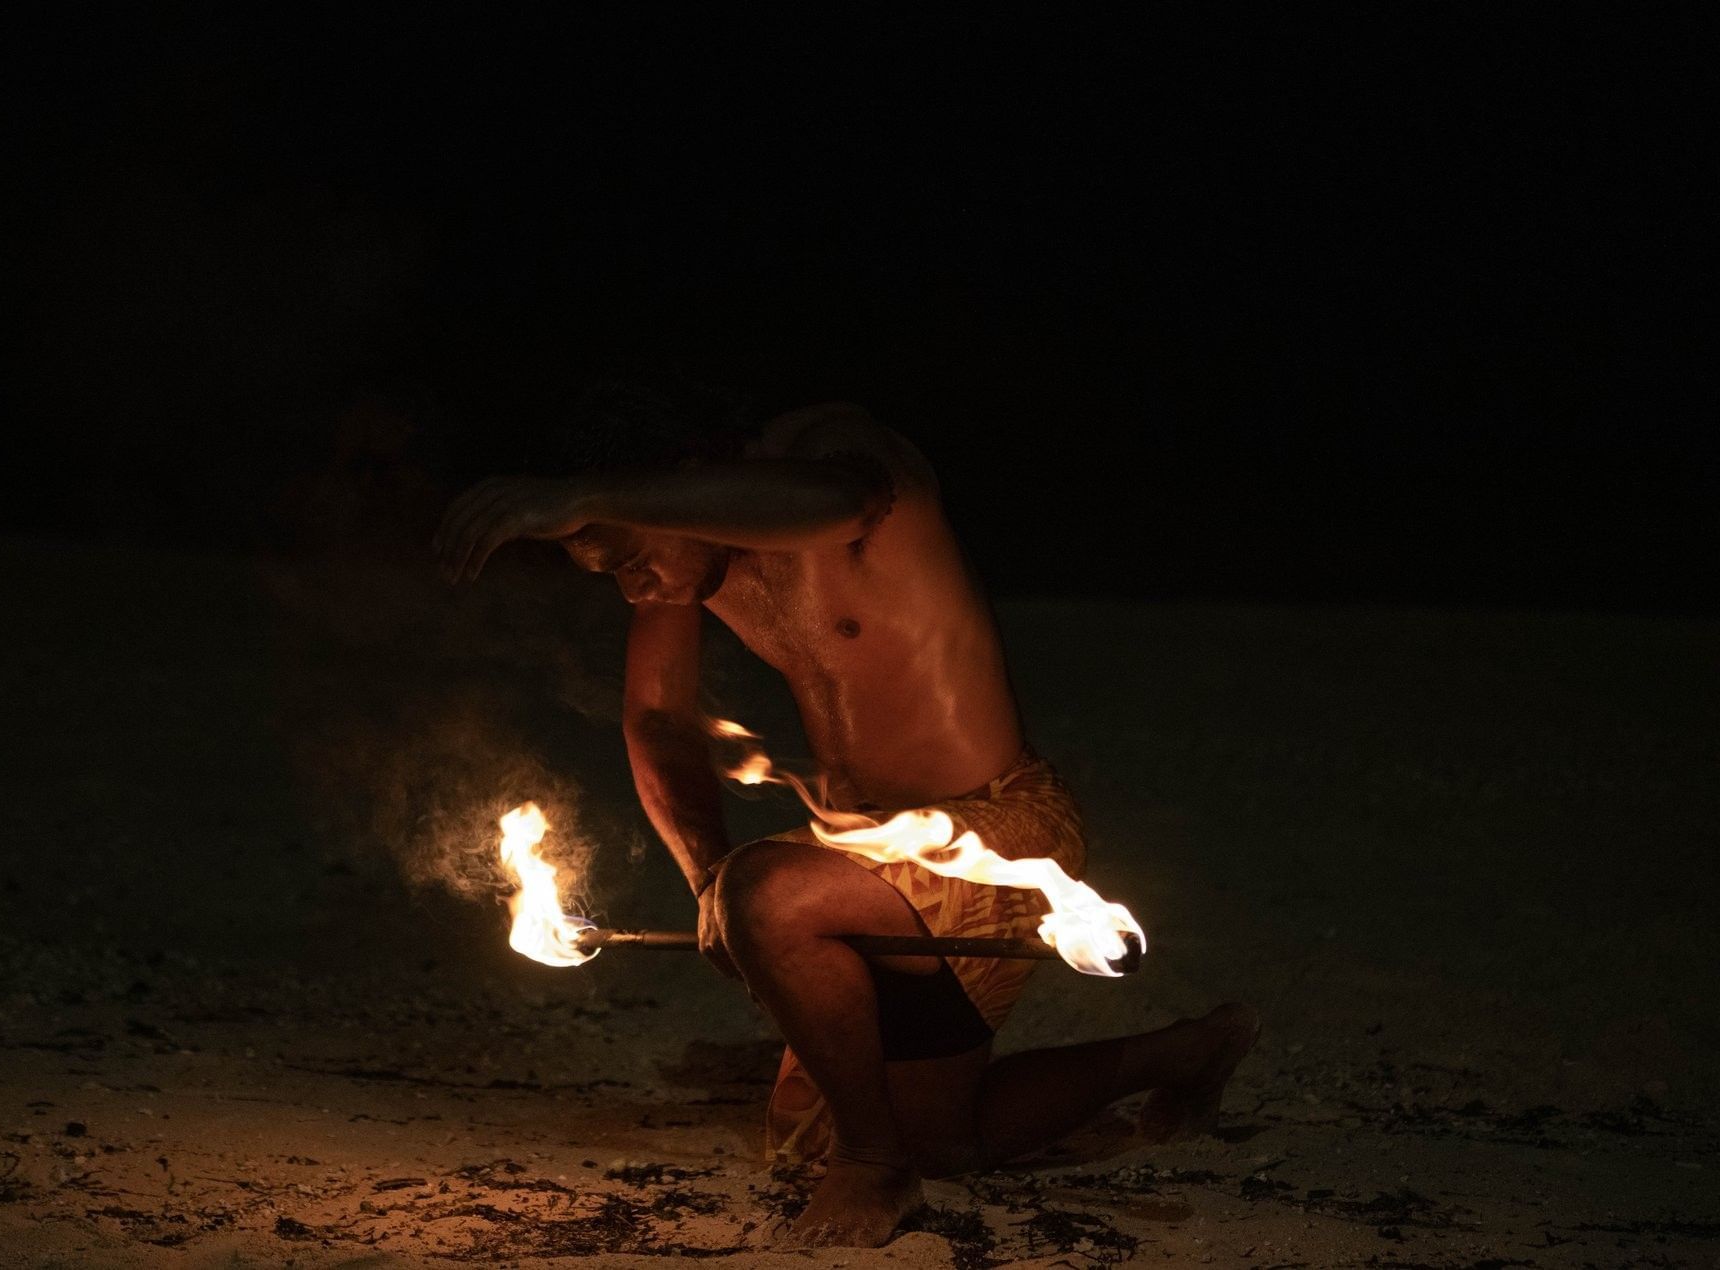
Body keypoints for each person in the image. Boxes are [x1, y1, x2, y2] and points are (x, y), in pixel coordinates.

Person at [436, 394, 1259, 1248]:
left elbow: (841, 499)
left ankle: (873, 1166)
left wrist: (595, 497)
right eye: (604, 568)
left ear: (678, 486)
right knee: (945, 1138)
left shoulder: (836, 462)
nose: (630, 582)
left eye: (628, 552)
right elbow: (657, 720)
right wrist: (705, 876)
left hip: (999, 831)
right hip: (871, 866)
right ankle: (1188, 1051)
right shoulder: (680, 564)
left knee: (774, 896)